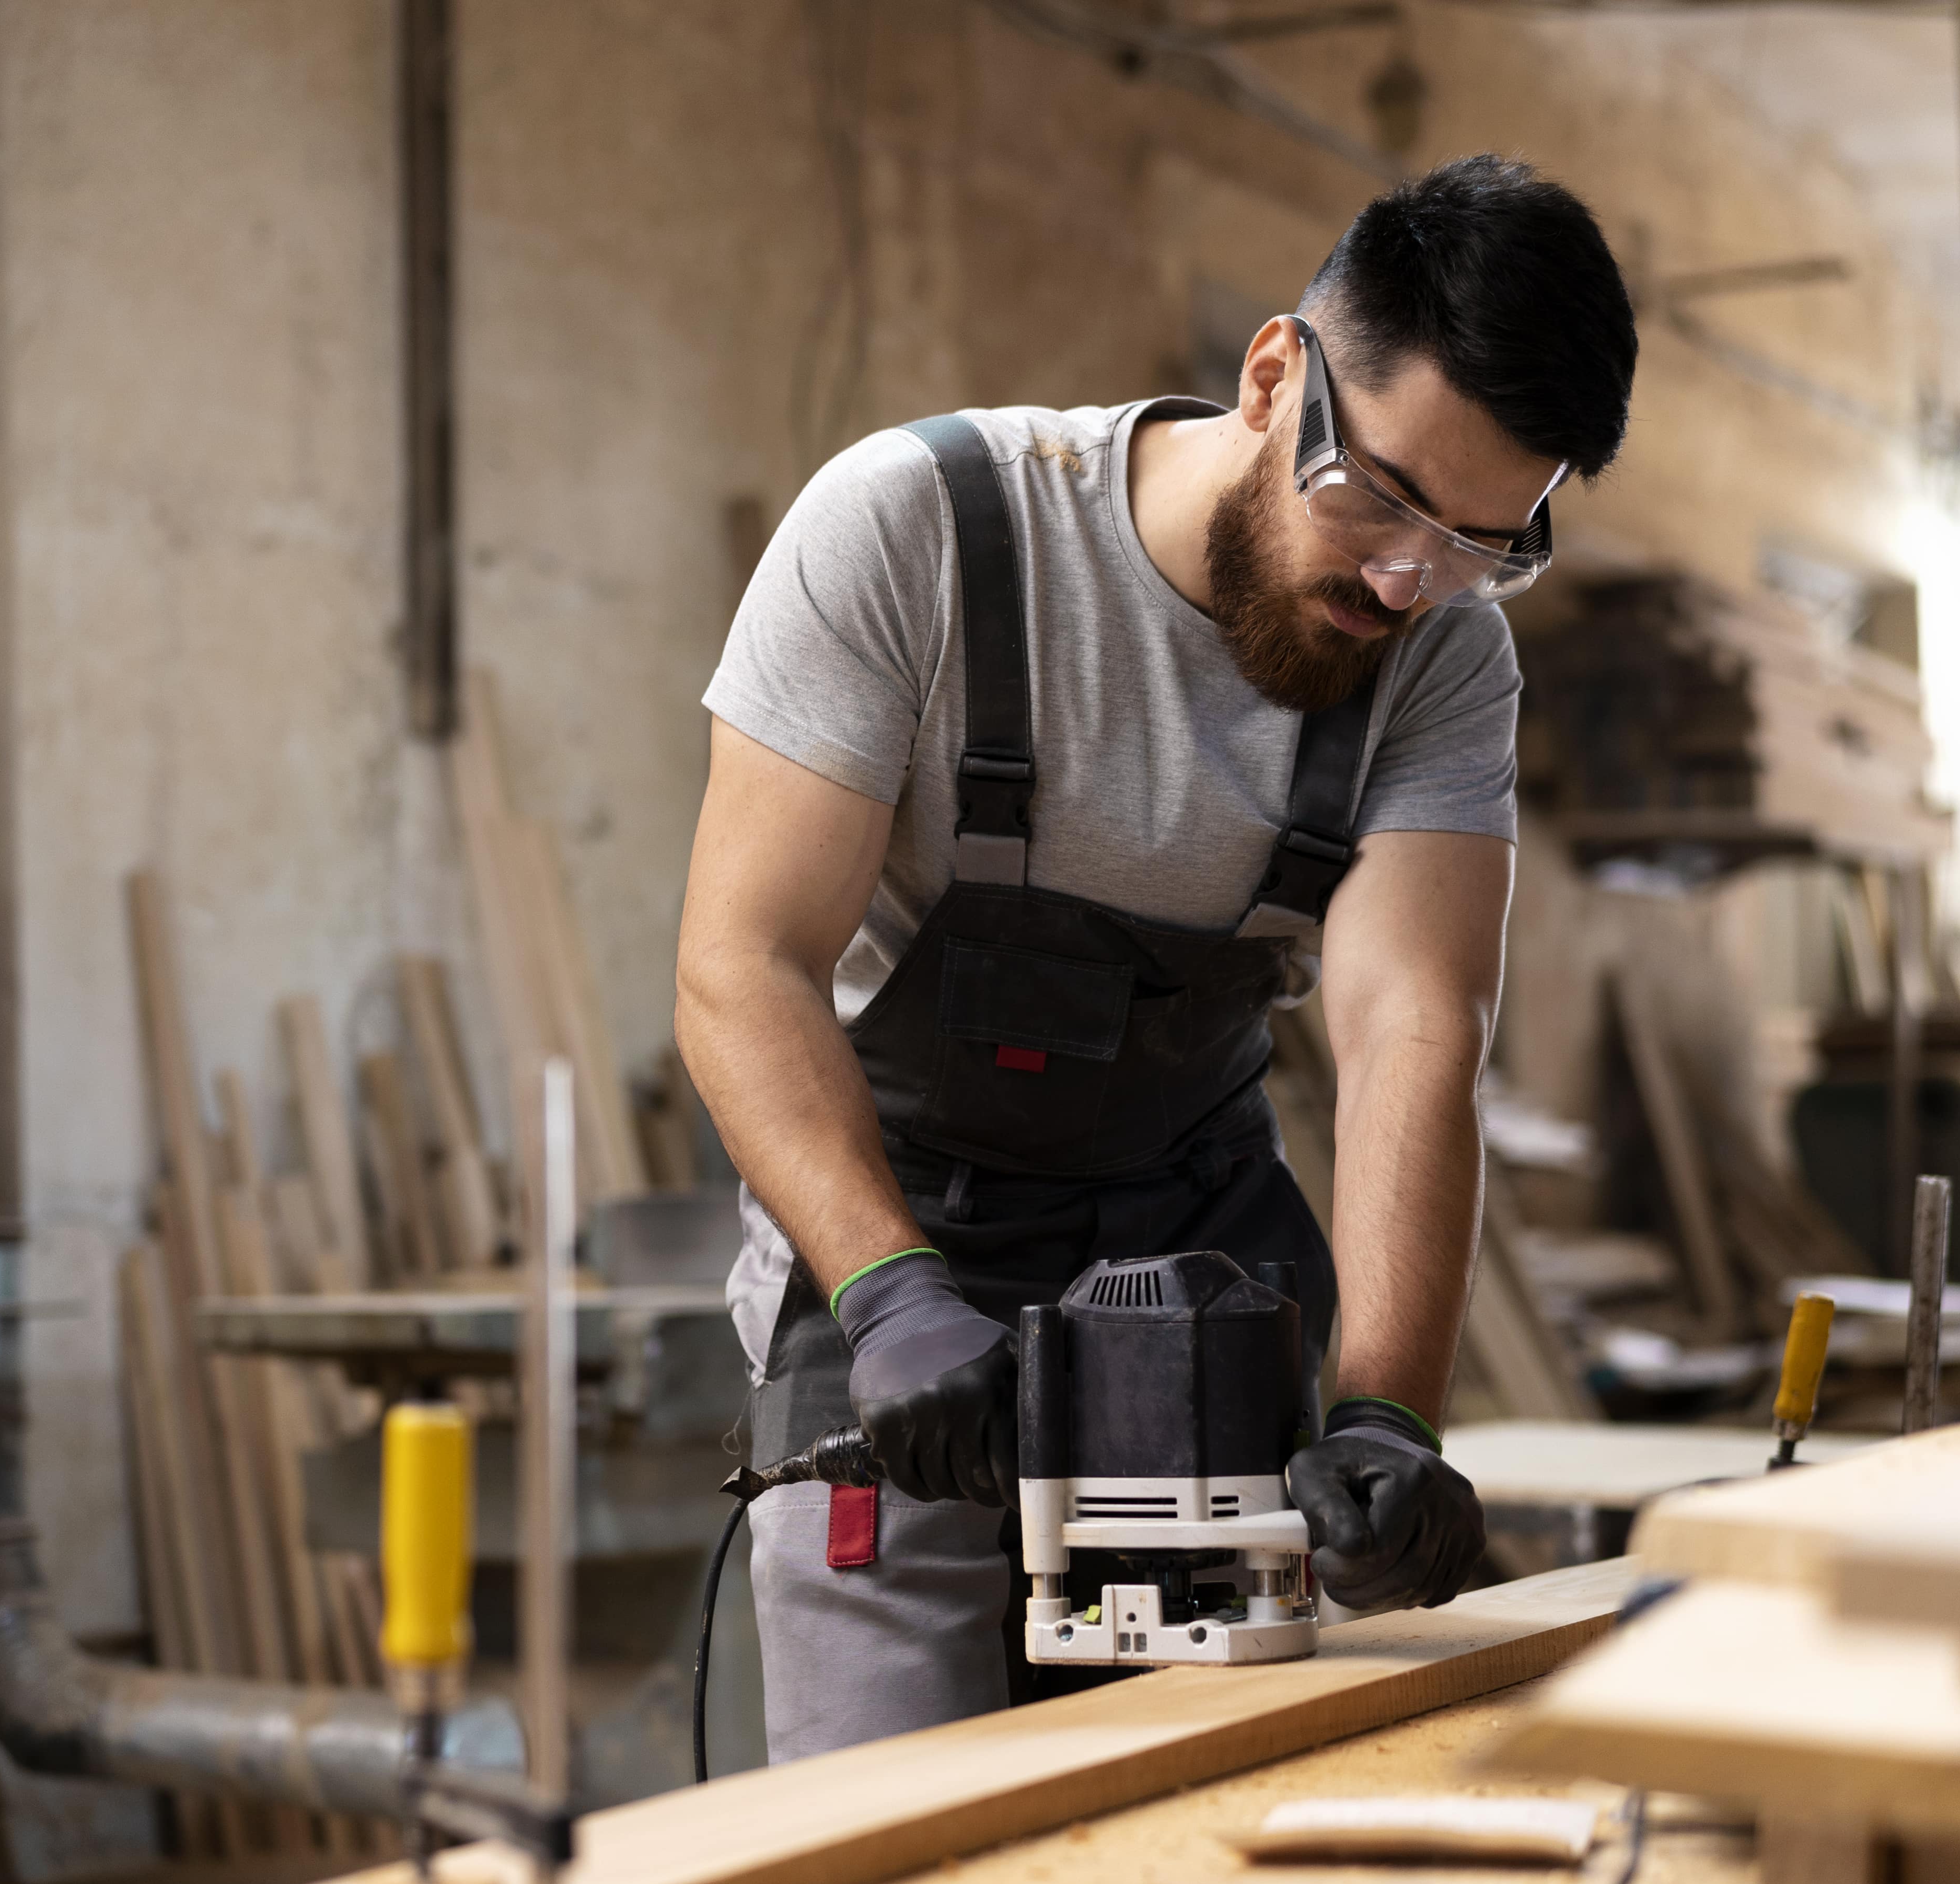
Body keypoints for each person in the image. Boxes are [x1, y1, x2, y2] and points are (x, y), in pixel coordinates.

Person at [675, 154, 1639, 1762]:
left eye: (1484, 541)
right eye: (1384, 500)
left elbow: (1415, 1029)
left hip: (1195, 1283)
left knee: (1202, 1799)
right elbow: (743, 965)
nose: (1409, 581)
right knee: (880, 1812)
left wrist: (1389, 1411)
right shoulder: (923, 531)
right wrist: (893, 1295)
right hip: (896, 1252)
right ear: (1276, 377)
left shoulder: (1443, 657)